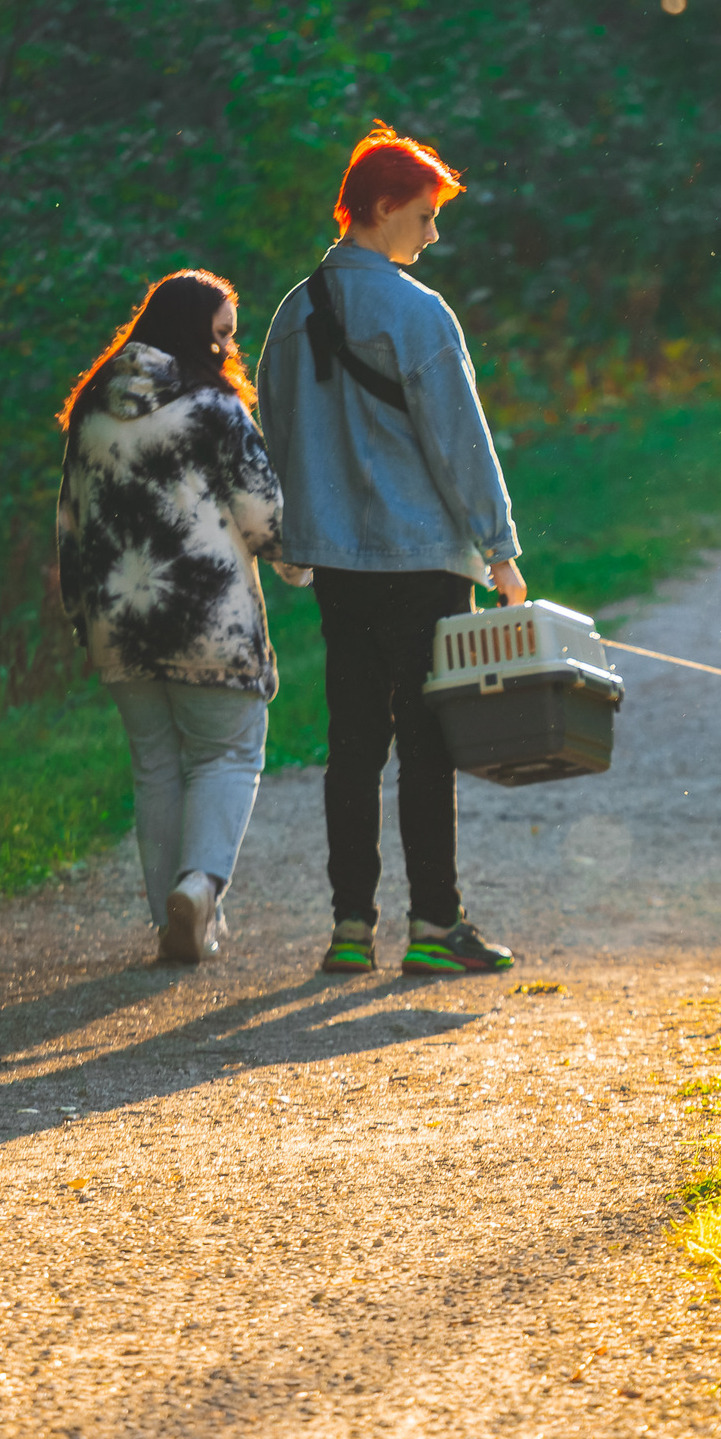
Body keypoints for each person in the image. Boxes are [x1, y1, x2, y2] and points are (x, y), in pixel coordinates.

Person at [258, 121, 524, 977]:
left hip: (340, 565)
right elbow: (459, 441)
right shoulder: (418, 314)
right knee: (428, 744)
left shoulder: (293, 314)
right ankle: (435, 929)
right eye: (424, 214)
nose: (433, 233)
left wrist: (295, 540)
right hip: (421, 561)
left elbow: (278, 434)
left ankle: (348, 929)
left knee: (354, 742)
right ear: (378, 208)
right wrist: (500, 548)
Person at [55, 268, 297, 965]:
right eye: (219, 334)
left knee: (155, 766)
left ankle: (174, 920)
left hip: (118, 620)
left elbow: (68, 523)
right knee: (228, 751)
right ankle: (199, 887)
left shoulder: (91, 407)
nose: (227, 350)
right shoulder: (212, 407)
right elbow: (263, 512)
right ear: (190, 332)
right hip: (208, 619)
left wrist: (79, 608)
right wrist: (297, 564)